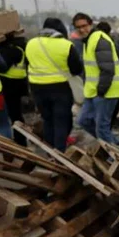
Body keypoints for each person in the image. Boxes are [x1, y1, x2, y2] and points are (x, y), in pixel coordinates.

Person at [25, 18, 84, 152]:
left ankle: (49, 151)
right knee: (61, 121)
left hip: (37, 88)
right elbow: (76, 69)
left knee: (47, 119)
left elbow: (27, 64)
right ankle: (59, 153)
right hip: (60, 88)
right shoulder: (65, 45)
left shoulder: (30, 43)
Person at [75, 13, 119, 145]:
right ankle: (114, 144)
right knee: (83, 121)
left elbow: (108, 69)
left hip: (106, 91)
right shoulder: (88, 41)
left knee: (101, 127)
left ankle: (112, 158)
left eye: (84, 26)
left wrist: (101, 91)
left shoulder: (99, 39)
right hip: (94, 91)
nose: (81, 29)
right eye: (78, 27)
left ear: (90, 24)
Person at [0, 34, 29, 146]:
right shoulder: (21, 46)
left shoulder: (11, 50)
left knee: (13, 115)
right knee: (16, 114)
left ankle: (20, 141)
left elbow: (3, 67)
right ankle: (21, 140)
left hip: (9, 85)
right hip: (19, 84)